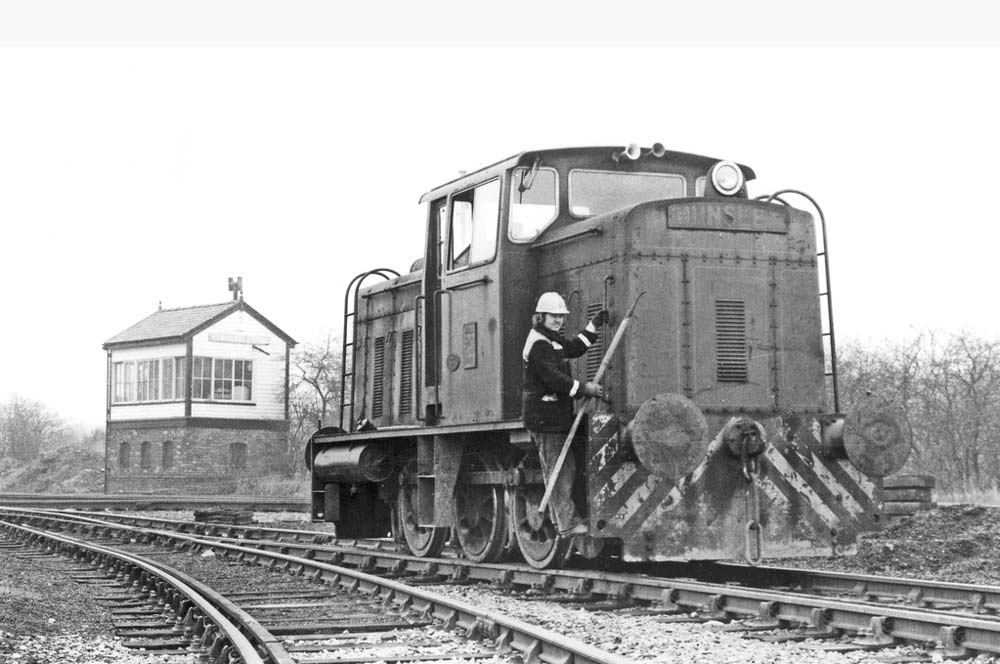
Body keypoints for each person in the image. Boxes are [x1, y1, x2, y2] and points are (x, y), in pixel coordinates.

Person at [522, 292, 609, 537]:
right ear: (541, 317)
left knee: (566, 467)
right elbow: (553, 378)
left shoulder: (552, 341)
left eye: (561, 317)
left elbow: (574, 348)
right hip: (544, 419)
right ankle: (567, 524)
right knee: (559, 471)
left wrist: (593, 325)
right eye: (553, 316)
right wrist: (583, 388)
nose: (558, 321)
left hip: (555, 417)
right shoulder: (539, 344)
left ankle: (569, 519)